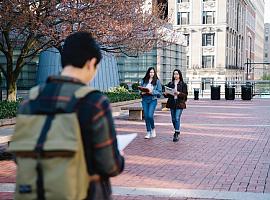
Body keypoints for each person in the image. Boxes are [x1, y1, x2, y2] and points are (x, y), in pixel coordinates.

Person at [17, 32, 124, 200]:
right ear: (91, 63)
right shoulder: (94, 102)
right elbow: (109, 165)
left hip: (36, 192)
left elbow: (20, 155)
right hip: (84, 193)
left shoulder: (30, 100)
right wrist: (120, 156)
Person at [164, 69, 188, 142]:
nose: (175, 75)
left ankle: (176, 133)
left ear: (180, 75)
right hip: (172, 102)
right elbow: (166, 95)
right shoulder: (170, 83)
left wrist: (178, 93)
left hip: (179, 103)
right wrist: (165, 93)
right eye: (174, 74)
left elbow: (185, 95)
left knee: (177, 118)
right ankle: (176, 130)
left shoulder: (183, 84)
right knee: (173, 119)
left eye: (177, 74)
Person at [140, 67, 162, 139]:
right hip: (145, 99)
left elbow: (159, 92)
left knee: (150, 115)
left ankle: (153, 128)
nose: (151, 73)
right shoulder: (144, 80)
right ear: (148, 73)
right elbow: (140, 90)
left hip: (153, 100)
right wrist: (142, 92)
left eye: (152, 72)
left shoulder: (157, 81)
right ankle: (148, 132)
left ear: (154, 73)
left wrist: (152, 92)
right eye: (150, 72)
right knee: (146, 116)